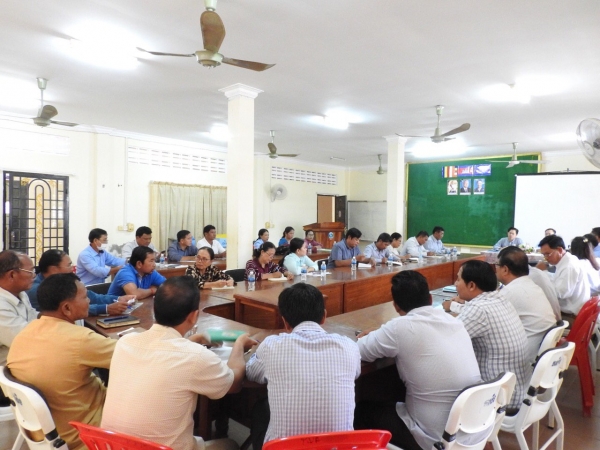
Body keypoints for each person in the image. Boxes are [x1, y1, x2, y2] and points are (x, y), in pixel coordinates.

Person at [102, 277, 255, 450]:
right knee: (231, 445)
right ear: (194, 316)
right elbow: (234, 383)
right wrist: (239, 345)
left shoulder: (125, 342)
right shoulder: (195, 356)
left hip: (113, 445)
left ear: (154, 308)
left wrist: (193, 339)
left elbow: (164, 353)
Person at [355, 271, 481, 450]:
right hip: (474, 429)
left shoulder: (399, 328)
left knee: (362, 411)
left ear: (395, 306)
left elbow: (358, 351)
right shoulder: (454, 321)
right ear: (430, 299)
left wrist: (378, 334)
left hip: (434, 437)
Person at [7, 273, 116, 450]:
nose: (89, 301)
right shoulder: (81, 339)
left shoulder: (25, 333)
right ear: (66, 308)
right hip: (85, 434)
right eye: (84, 297)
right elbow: (134, 357)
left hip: (48, 432)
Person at [246, 283, 361, 449]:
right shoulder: (349, 346)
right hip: (338, 448)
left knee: (261, 409)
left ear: (285, 322)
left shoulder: (272, 346)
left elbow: (251, 372)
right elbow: (355, 373)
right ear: (324, 316)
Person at [452, 260, 529, 412]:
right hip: (519, 390)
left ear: (472, 285)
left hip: (500, 399)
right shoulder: (500, 299)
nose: (455, 284)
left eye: (458, 279)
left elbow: (446, 341)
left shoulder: (478, 309)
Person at [495, 247, 556, 364]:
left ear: (505, 269)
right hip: (539, 351)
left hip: (523, 357)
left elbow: (487, 319)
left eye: (497, 265)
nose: (495, 269)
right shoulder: (530, 284)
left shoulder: (511, 291)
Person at [27, 249, 134, 314]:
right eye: (69, 265)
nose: (72, 269)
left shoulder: (63, 281)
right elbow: (69, 310)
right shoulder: (38, 290)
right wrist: (106, 308)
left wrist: (118, 298)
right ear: (54, 269)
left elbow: (91, 296)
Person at [536, 235, 589, 316]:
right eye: (544, 255)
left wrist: (543, 273)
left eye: (548, 254)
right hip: (572, 307)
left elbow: (561, 293)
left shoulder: (569, 266)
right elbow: (558, 280)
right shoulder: (567, 260)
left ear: (560, 250)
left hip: (570, 313)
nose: (546, 258)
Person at [0, 251, 37, 366]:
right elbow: (25, 340)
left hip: (26, 358)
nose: (34, 275)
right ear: (12, 275)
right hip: (7, 368)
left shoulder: (20, 293)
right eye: (30, 271)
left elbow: (33, 317)